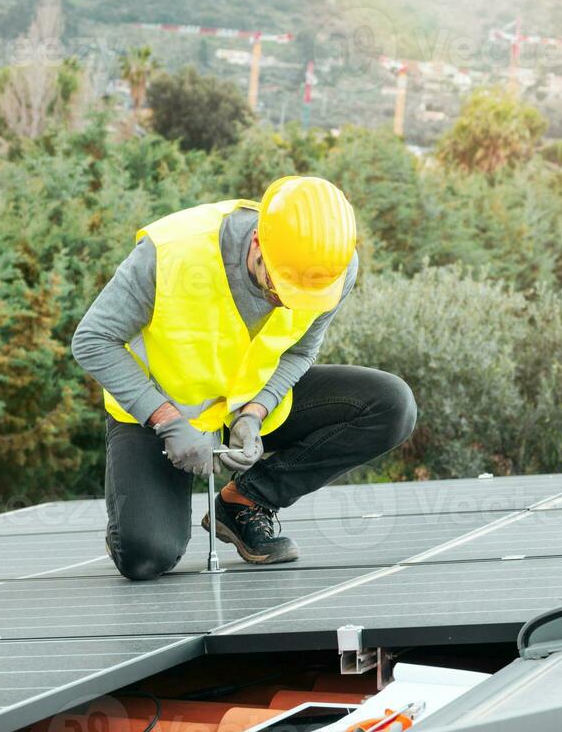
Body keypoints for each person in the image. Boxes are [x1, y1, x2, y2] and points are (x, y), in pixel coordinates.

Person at [71, 175, 416, 580]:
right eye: (280, 287)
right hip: (161, 417)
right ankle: (136, 524)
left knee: (392, 405)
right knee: (146, 557)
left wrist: (255, 412)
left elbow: (300, 351)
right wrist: (165, 420)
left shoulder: (331, 271)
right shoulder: (171, 254)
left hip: (246, 409)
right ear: (257, 244)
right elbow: (93, 340)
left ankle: (247, 500)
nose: (288, 301)